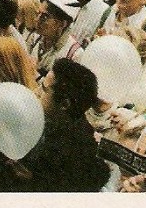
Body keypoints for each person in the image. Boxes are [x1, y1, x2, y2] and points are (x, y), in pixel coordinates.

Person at [26, 58, 110, 191]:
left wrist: (30, 178)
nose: (36, 92)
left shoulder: (75, 151)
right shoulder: (56, 123)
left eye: (44, 89)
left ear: (64, 104)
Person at [29, 0, 85, 76]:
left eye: (44, 17)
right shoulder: (34, 38)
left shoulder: (74, 54)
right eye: (38, 14)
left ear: (62, 24)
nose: (37, 20)